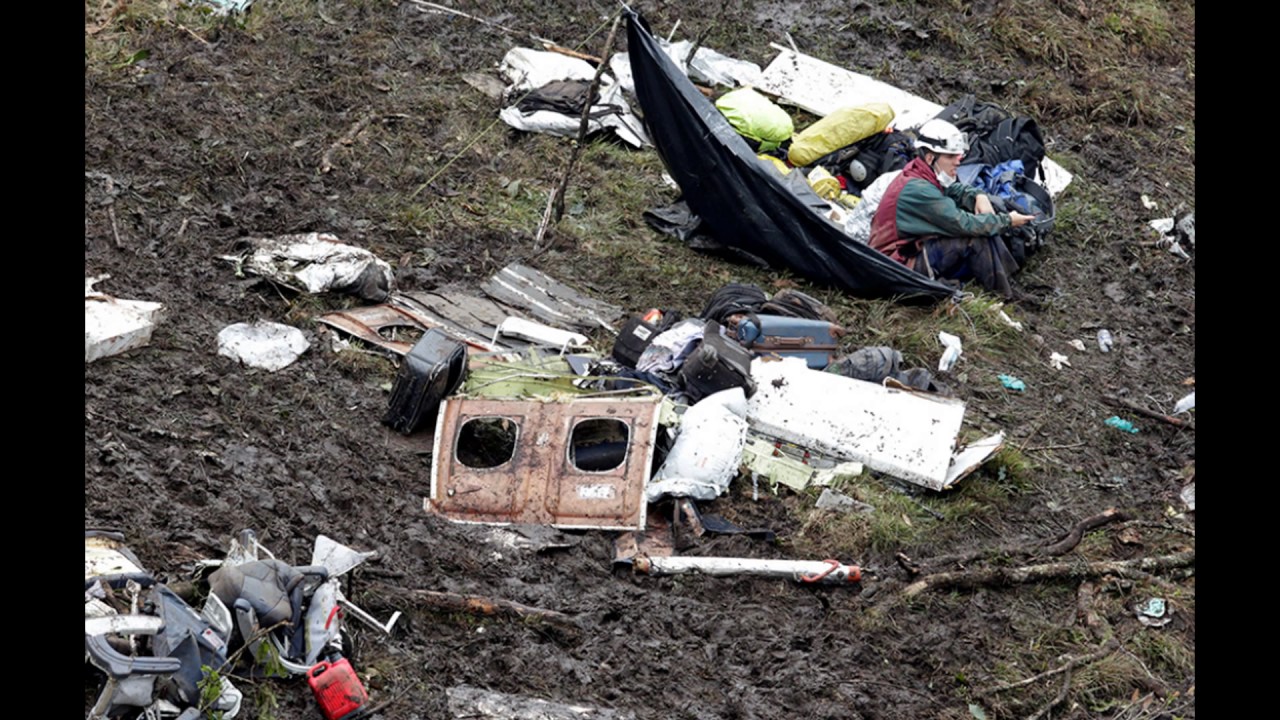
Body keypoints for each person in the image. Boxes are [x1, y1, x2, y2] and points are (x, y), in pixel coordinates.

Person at [869, 118, 1035, 298]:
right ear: (931, 157)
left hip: (908, 251)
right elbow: (964, 223)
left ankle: (1005, 283)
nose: (957, 161)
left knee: (984, 226)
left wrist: (978, 195)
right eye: (950, 156)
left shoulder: (921, 171)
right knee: (975, 237)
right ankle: (1005, 296)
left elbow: (953, 189)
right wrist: (1008, 221)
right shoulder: (919, 191)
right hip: (894, 267)